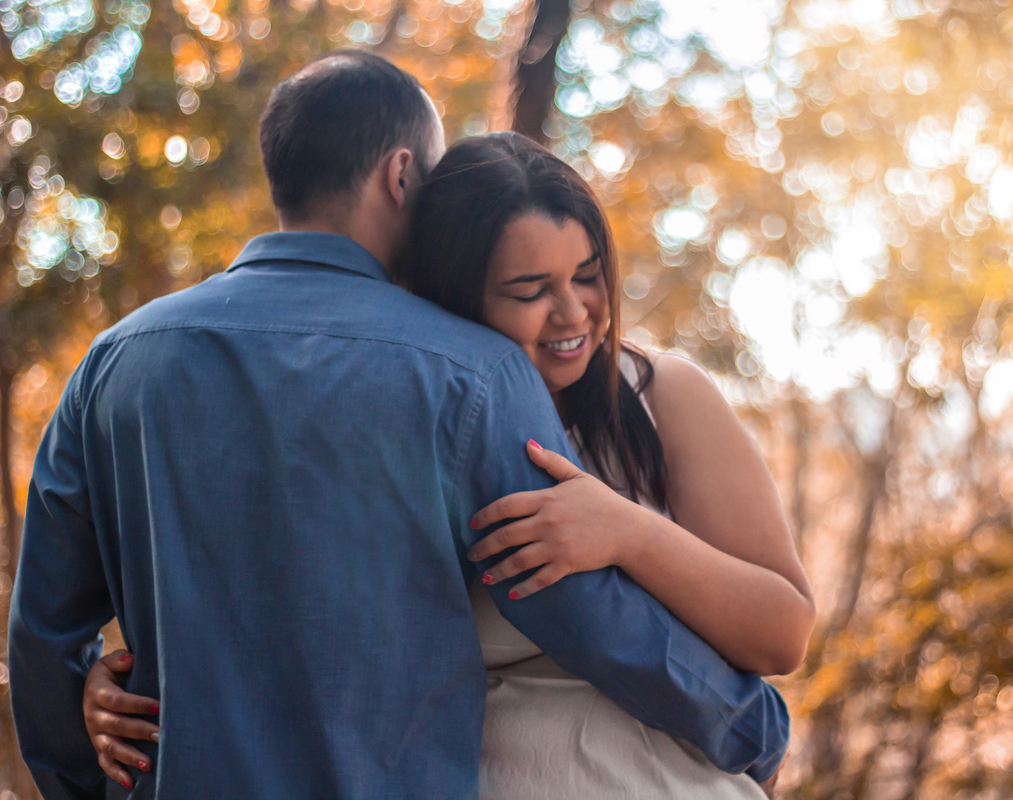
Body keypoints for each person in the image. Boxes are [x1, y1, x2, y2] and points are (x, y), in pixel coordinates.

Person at [7, 51, 791, 800]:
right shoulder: (467, 373)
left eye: (586, 277)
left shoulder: (114, 362)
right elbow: (586, 611)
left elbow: (43, 636)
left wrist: (89, 753)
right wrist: (753, 729)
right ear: (402, 173)